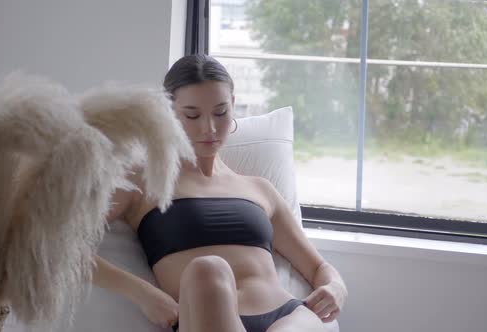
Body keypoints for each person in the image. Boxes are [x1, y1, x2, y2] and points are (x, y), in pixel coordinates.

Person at [92, 54, 347, 332]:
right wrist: (141, 293)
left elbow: (318, 267)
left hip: (286, 316)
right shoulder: (142, 179)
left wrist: (335, 287)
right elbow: (64, 248)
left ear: (233, 106)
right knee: (208, 269)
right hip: (207, 319)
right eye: (192, 115)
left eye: (220, 112)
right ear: (168, 113)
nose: (209, 128)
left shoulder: (260, 189)